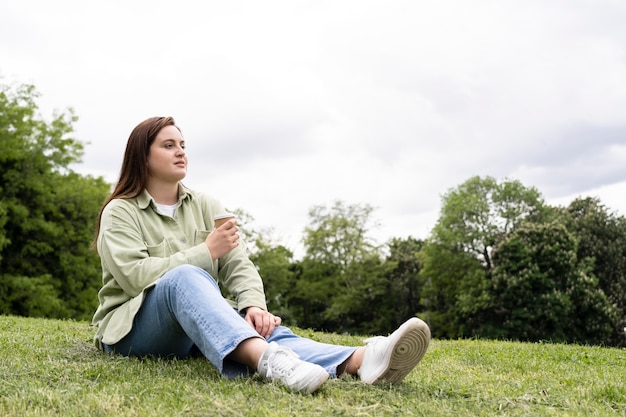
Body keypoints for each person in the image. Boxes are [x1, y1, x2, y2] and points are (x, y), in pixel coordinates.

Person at [92, 116, 431, 394]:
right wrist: (205, 251)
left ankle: (362, 359)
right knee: (185, 277)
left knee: (249, 322)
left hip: (189, 333)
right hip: (132, 333)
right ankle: (269, 363)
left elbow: (238, 263)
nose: (181, 152)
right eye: (168, 146)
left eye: (182, 145)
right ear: (142, 156)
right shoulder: (120, 211)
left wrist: (253, 304)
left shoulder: (207, 205)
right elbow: (135, 277)